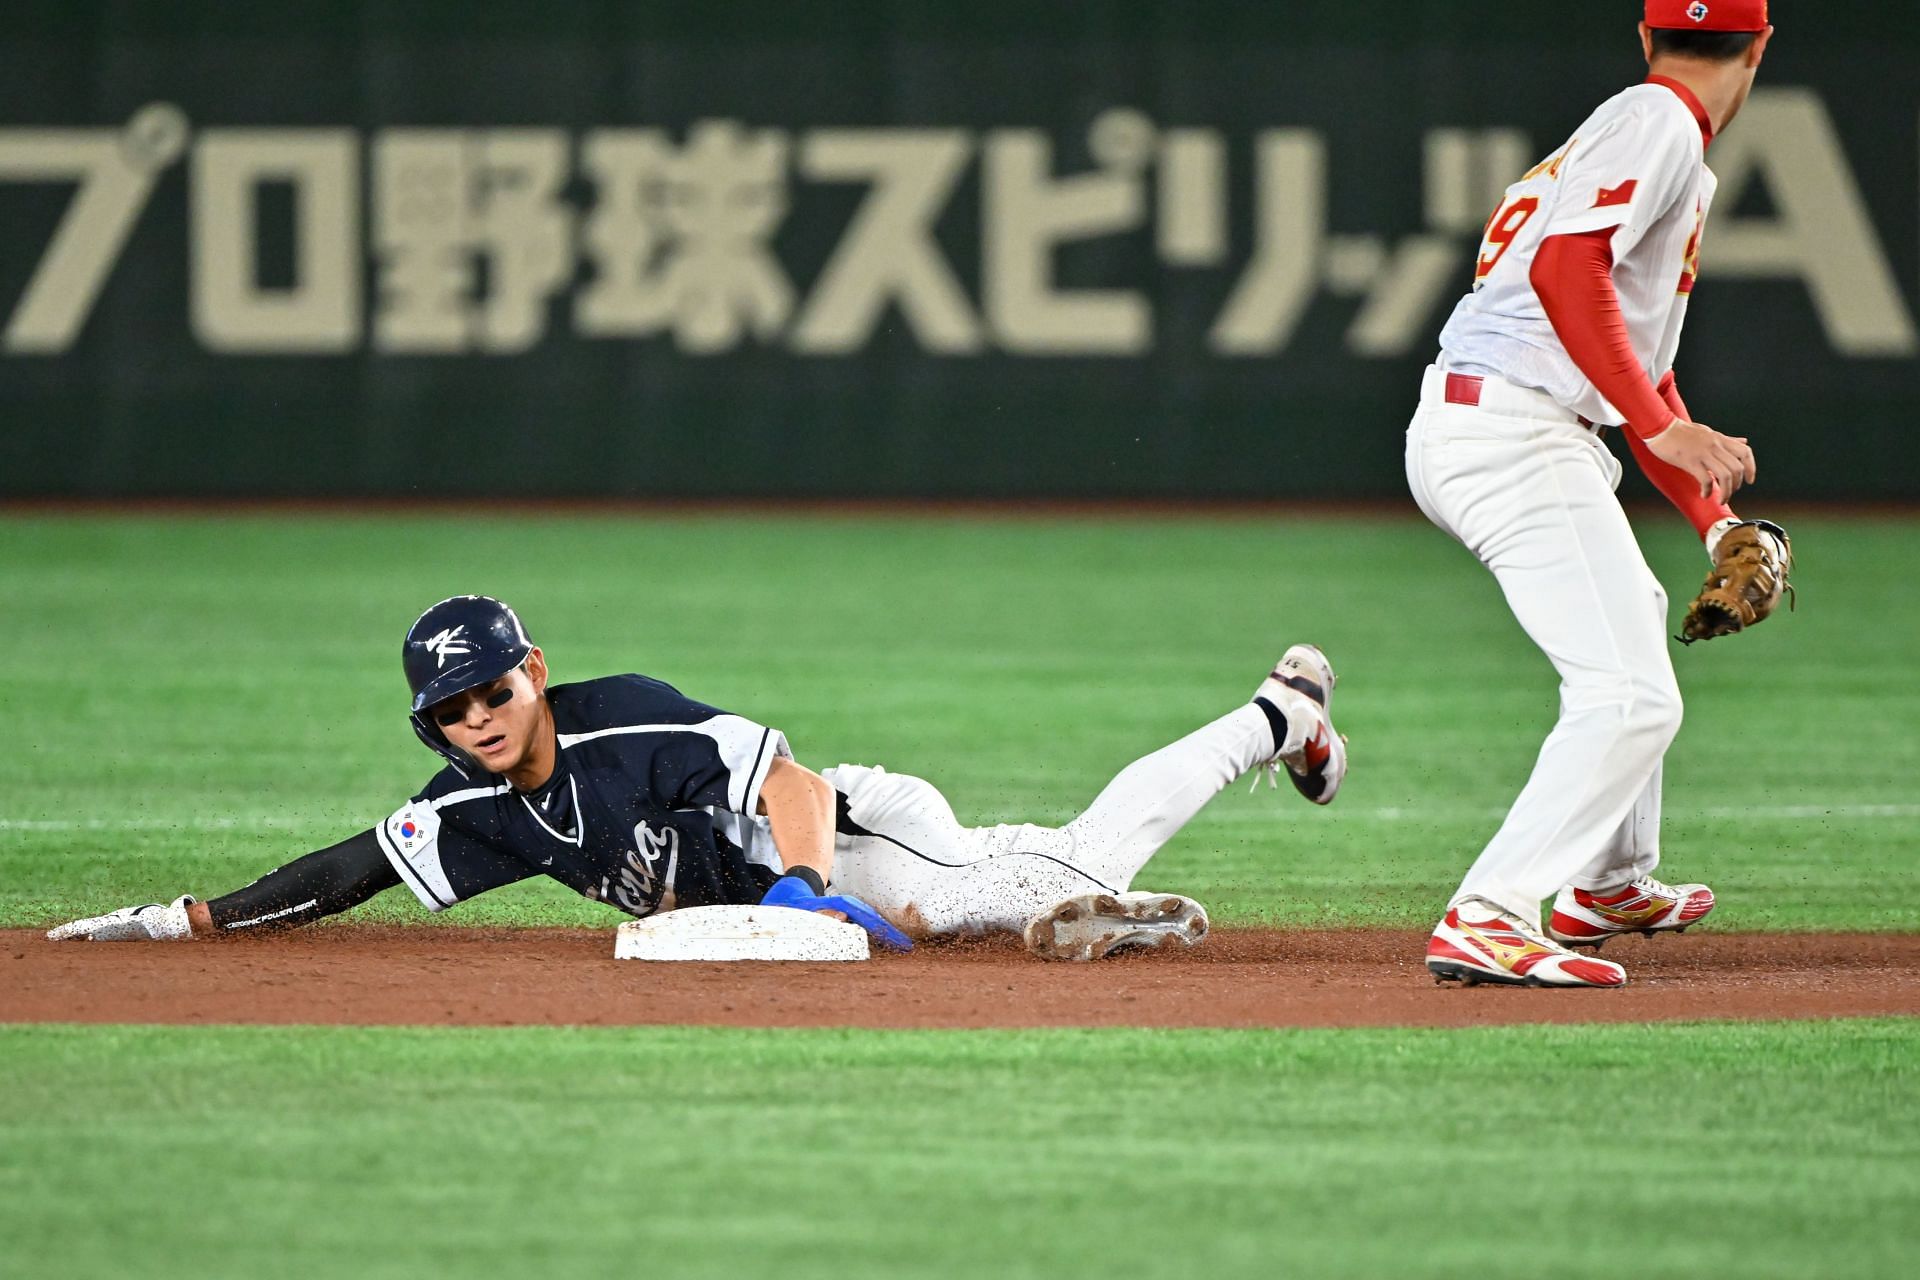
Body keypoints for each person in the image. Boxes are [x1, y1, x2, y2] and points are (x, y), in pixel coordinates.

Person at [47, 595, 1347, 961]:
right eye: (452, 710)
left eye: (494, 690)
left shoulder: (624, 725)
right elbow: (349, 870)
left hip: (855, 827)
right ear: (433, 727)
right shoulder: (471, 808)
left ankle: (1273, 719)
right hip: (792, 891)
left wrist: (803, 884)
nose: (480, 719)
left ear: (533, 673)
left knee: (1019, 887)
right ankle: (1283, 716)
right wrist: (191, 919)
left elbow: (783, 775)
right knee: (1051, 865)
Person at [1406, 0, 1791, 988]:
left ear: (1646, 32)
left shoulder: (1637, 132)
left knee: (1637, 623)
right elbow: (1566, 270)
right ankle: (1488, 911)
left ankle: (1611, 881)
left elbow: (1640, 381)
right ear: (1759, 48)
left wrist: (1720, 523)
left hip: (1508, 419)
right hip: (1508, 429)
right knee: (1628, 694)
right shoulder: (1660, 122)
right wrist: (1662, 428)